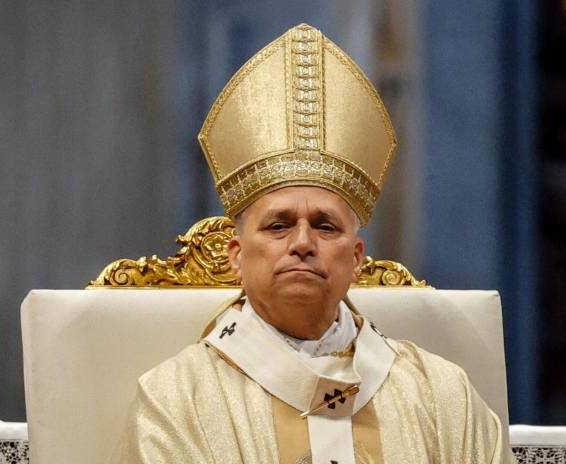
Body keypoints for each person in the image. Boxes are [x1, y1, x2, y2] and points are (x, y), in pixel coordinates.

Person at [111, 23, 515, 463]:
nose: (302, 242)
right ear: (235, 256)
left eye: (325, 227)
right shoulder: (175, 402)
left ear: (356, 259)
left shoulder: (441, 396)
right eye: (278, 226)